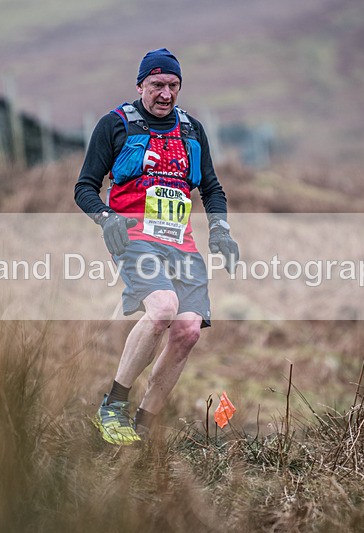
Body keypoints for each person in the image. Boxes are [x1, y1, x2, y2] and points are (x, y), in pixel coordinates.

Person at [74, 48, 239, 445]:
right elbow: (85, 187)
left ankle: (144, 428)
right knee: (164, 308)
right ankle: (112, 407)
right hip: (133, 237)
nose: (166, 94)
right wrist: (106, 218)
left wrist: (220, 230)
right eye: (157, 85)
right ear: (140, 85)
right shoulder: (115, 124)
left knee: (188, 331)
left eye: (173, 85)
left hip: (180, 243)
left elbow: (212, 188)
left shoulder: (192, 130)